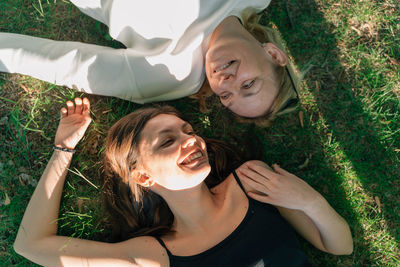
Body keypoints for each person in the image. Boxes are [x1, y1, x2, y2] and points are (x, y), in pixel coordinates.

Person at [14, 97, 353, 266]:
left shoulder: (251, 181)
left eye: (188, 131)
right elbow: (30, 245)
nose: (192, 140)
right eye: (167, 141)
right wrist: (63, 150)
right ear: (143, 176)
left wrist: (309, 201)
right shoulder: (153, 258)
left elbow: (339, 246)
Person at [0, 0, 299, 126]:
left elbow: (71, 64)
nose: (226, 82)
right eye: (248, 84)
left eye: (226, 96)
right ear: (273, 54)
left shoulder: (173, 74)